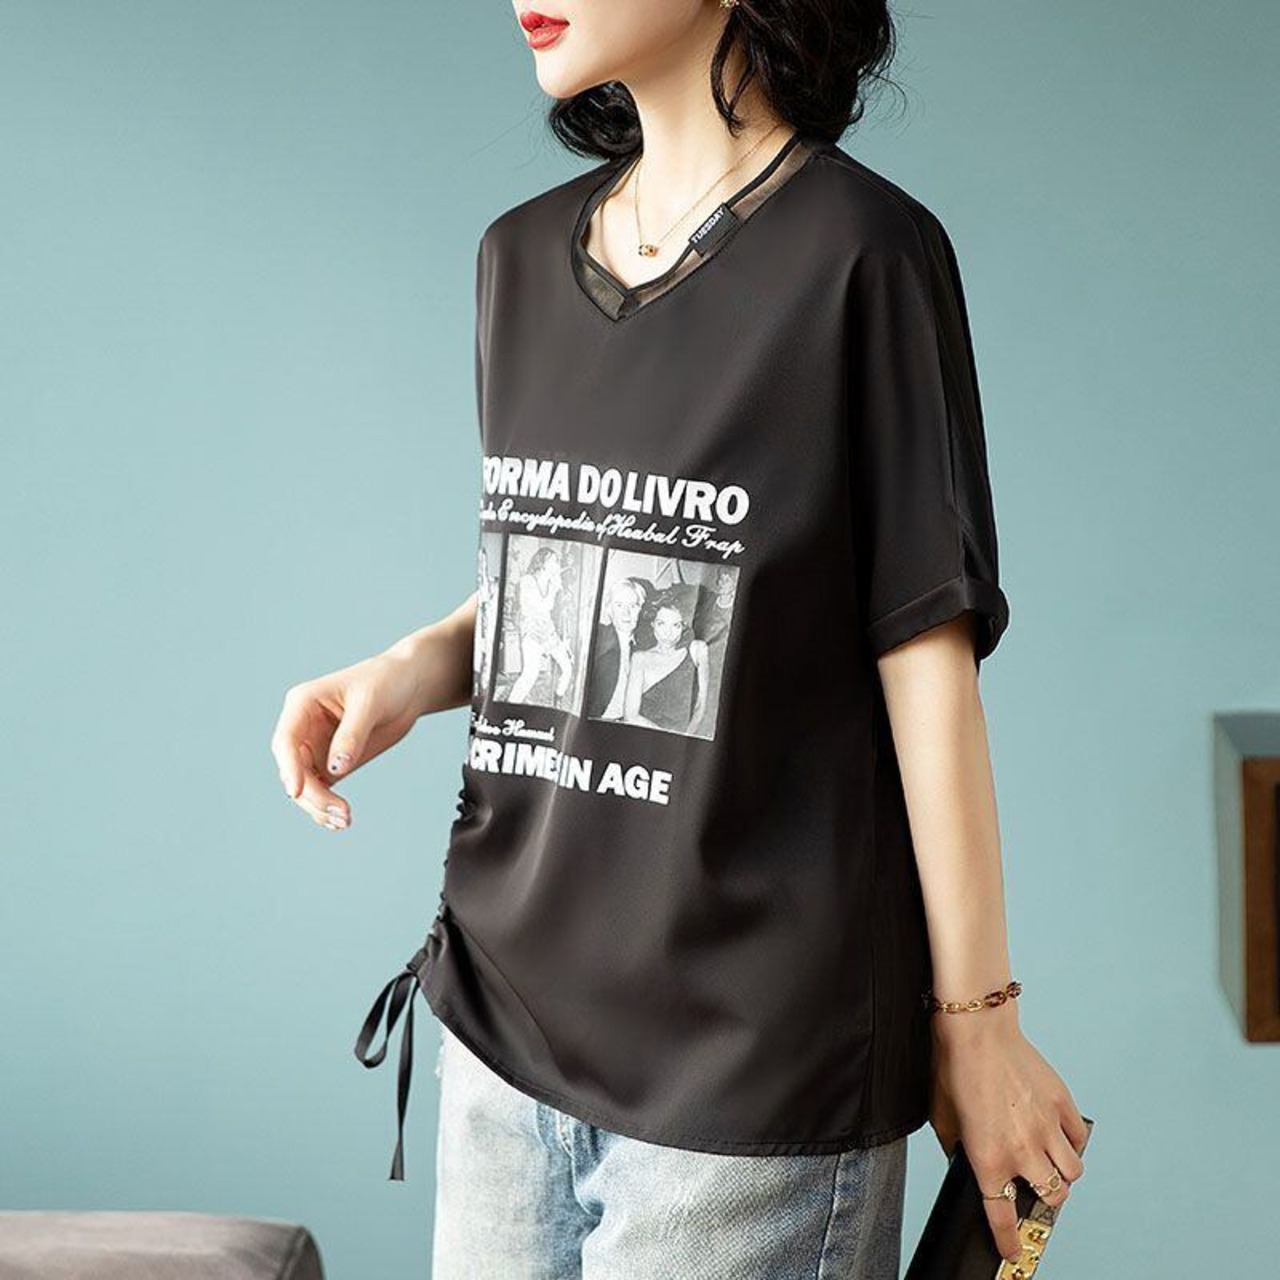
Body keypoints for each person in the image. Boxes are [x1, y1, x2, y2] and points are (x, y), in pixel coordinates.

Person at [269, 1, 1091, 1275]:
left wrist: (976, 1021)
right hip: (501, 1030)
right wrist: (414, 666)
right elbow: (592, 566)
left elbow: (925, 665)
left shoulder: (860, 253)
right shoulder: (518, 257)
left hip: (747, 1075)